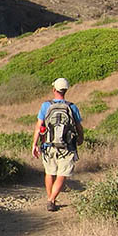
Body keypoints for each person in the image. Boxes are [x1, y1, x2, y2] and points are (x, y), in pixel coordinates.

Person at [31, 77, 83, 212]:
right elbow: (78, 126)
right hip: (67, 146)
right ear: (66, 90)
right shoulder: (72, 107)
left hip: (48, 145)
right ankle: (51, 199)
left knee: (50, 173)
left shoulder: (45, 106)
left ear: (54, 89)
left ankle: (51, 199)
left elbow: (39, 126)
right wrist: (81, 138)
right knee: (62, 174)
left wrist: (34, 144)